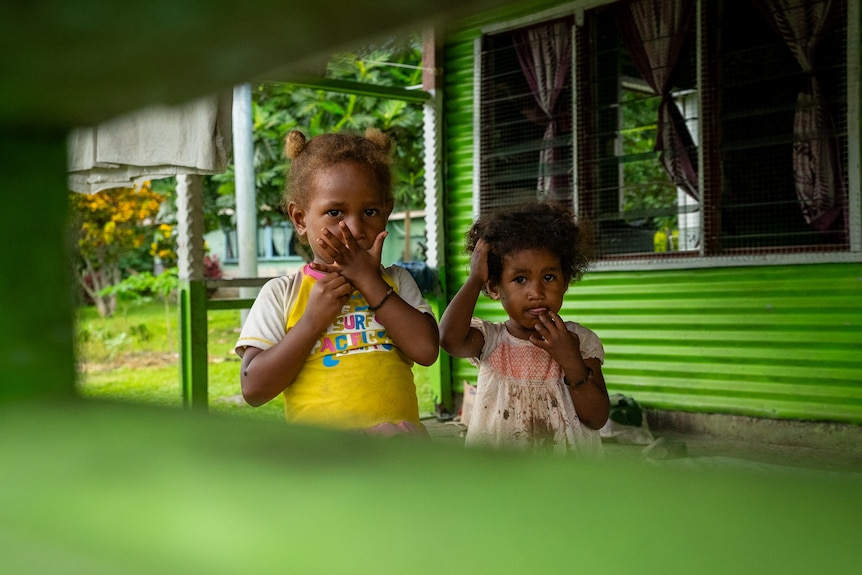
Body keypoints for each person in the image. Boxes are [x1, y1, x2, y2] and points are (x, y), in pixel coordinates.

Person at [235, 128, 439, 435]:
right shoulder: (282, 294)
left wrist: (370, 282)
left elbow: (426, 350)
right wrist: (311, 322)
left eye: (370, 211)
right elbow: (254, 388)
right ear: (300, 219)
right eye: (334, 212)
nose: (354, 228)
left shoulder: (396, 281)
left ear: (387, 212)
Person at [439, 201, 609, 454]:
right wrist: (475, 279)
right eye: (520, 279)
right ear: (494, 288)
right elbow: (448, 339)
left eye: (549, 277)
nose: (537, 292)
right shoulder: (490, 340)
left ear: (565, 282)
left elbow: (596, 418)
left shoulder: (579, 341)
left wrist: (571, 360)